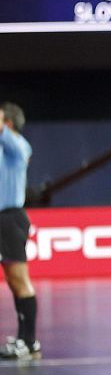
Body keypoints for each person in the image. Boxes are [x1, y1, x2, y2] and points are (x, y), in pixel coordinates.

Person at [0, 103, 38, 361]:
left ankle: (29, 341)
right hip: (2, 220)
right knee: (13, 282)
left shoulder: (19, 146)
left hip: (10, 219)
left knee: (19, 280)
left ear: (8, 123)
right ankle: (25, 339)